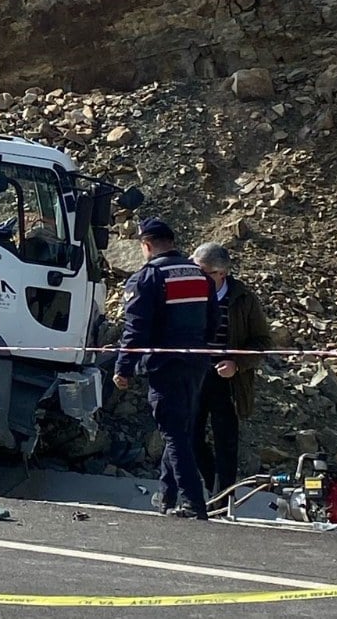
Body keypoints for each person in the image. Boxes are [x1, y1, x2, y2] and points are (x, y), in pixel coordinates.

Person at [112, 218, 216, 520]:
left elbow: (136, 329)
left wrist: (124, 368)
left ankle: (194, 503)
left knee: (173, 434)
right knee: (181, 430)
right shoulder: (200, 274)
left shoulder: (148, 278)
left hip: (166, 365)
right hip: (196, 364)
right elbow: (213, 322)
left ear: (146, 245)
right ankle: (167, 498)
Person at [190, 242, 273, 495]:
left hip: (226, 380)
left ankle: (223, 499)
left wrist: (236, 365)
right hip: (193, 376)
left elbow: (262, 342)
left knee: (226, 441)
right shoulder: (188, 294)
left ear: (221, 274)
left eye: (202, 272)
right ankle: (212, 487)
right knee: (190, 437)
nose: (196, 276)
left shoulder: (243, 299)